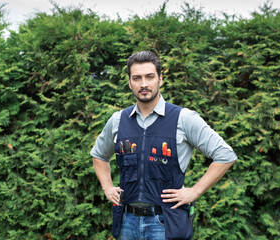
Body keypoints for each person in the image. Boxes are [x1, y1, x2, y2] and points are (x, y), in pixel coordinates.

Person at [91, 51, 237, 240]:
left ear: (160, 79)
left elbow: (225, 155)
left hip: (166, 223)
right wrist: (108, 187)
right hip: (127, 222)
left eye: (149, 77)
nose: (143, 84)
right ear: (129, 82)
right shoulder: (118, 120)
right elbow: (99, 156)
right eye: (137, 78)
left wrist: (195, 191)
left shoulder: (183, 119)